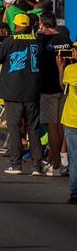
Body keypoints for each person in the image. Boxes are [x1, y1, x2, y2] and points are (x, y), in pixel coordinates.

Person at [0, 13, 44, 175]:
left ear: (15, 26)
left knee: (14, 128)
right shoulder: (37, 41)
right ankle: (37, 165)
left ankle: (16, 164)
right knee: (33, 128)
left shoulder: (9, 41)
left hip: (13, 91)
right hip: (32, 90)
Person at [37, 12, 72, 176]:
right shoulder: (66, 40)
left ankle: (56, 164)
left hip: (48, 88)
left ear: (42, 24)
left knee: (52, 125)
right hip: (64, 87)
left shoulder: (43, 41)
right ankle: (57, 161)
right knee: (60, 125)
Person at [57, 42, 77, 204]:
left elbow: (62, 86)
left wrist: (60, 67)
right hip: (71, 120)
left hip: (72, 119)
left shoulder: (70, 70)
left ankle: (75, 193)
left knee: (75, 158)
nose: (73, 52)